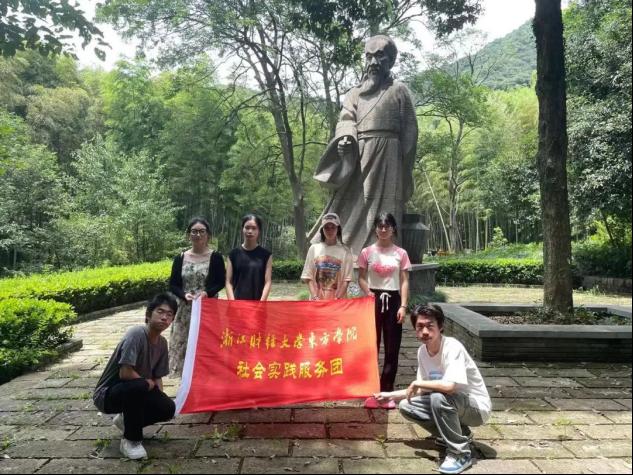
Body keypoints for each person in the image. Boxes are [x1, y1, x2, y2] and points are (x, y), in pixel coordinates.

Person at [310, 34, 418, 257]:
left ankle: (386, 255)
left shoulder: (399, 91)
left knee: (387, 209)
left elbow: (410, 131)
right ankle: (342, 251)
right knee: (348, 205)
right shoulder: (354, 94)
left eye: (380, 56)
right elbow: (346, 119)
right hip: (359, 156)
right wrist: (346, 140)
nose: (373, 63)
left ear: (391, 60)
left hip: (390, 157)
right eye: (369, 57)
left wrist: (403, 164)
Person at [374, 304, 492, 475]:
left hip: (476, 408)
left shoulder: (452, 347)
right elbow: (420, 390)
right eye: (420, 327)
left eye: (430, 326)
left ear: (440, 326)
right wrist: (389, 396)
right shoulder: (422, 352)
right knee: (407, 406)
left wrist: (418, 383)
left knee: (438, 398)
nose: (425, 332)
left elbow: (449, 387)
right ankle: (459, 434)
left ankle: (460, 453)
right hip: (453, 404)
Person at [92, 293, 178, 460]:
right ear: (148, 314)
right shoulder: (136, 333)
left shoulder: (162, 343)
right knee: (140, 385)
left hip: (138, 390)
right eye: (160, 312)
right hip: (108, 394)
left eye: (169, 315)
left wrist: (159, 401)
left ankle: (125, 421)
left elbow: (157, 377)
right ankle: (131, 441)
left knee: (168, 407)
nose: (164, 317)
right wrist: (147, 384)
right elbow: (125, 372)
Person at [358, 212, 411, 409]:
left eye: (387, 226)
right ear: (375, 229)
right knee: (370, 346)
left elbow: (404, 281)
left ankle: (387, 391)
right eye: (380, 226)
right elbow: (361, 277)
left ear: (393, 229)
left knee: (392, 347)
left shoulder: (401, 253)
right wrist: (368, 292)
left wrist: (403, 306)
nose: (383, 229)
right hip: (373, 300)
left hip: (394, 300)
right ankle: (370, 390)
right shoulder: (367, 252)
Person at [169, 217, 226, 375]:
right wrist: (183, 295)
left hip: (207, 309)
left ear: (208, 235)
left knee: (207, 343)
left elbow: (220, 281)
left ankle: (206, 378)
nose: (198, 235)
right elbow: (173, 284)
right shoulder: (180, 258)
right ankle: (185, 381)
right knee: (184, 344)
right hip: (184, 310)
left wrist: (207, 293)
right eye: (194, 231)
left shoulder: (215, 257)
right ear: (188, 235)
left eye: (202, 231)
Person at [301, 212, 353, 301]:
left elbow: (346, 280)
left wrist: (337, 298)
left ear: (338, 229)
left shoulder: (345, 251)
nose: (330, 231)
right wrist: (315, 297)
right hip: (316, 302)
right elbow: (308, 276)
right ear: (322, 230)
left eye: (333, 227)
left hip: (337, 302)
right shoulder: (313, 249)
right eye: (326, 227)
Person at [226, 214, 273, 301]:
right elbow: (228, 282)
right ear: (242, 229)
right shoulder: (233, 254)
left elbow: (268, 282)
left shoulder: (266, 255)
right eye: (247, 227)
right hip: (236, 304)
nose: (250, 231)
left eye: (254, 228)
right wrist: (232, 302)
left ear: (259, 231)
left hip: (258, 303)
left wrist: (261, 303)